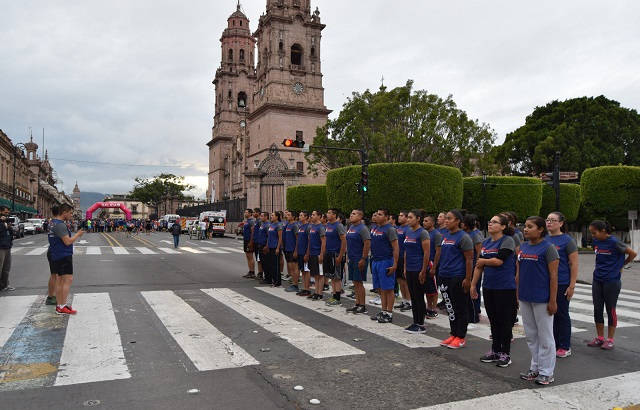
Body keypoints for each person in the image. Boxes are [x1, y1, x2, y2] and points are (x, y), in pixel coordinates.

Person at [517, 216, 559, 386]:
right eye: (525, 226)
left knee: (545, 336)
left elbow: (554, 276)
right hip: (525, 297)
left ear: (540, 229)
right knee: (531, 336)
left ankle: (547, 372)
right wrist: (517, 294)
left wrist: (553, 300)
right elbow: (519, 273)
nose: (525, 229)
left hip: (542, 298)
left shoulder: (548, 248)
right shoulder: (523, 247)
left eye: (530, 226)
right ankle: (535, 368)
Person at [471, 214, 517, 368]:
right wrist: (473, 285)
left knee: (505, 321)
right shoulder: (486, 242)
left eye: (495, 222)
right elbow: (479, 265)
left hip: (505, 287)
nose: (490, 224)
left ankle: (505, 353)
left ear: (503, 226)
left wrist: (484, 261)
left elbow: (498, 261)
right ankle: (495, 350)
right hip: (489, 286)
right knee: (494, 320)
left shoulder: (507, 240)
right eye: (489, 221)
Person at [587, 220, 637, 350]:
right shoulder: (596, 242)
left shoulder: (615, 242)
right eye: (591, 233)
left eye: (594, 233)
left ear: (603, 231)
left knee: (610, 309)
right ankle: (600, 337)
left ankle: (610, 339)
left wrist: (622, 264)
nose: (593, 235)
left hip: (612, 280)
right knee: (597, 309)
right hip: (597, 279)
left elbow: (633, 253)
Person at [436, 210, 473, 349]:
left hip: (457, 276)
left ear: (457, 221)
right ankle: (453, 333)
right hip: (444, 275)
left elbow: (469, 259)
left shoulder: (464, 237)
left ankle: (460, 337)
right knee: (449, 307)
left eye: (449, 218)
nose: (446, 221)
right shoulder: (445, 235)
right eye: (445, 218)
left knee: (460, 307)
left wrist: (468, 279)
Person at [546, 212, 579, 358]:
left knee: (561, 314)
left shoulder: (567, 240)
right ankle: (552, 343)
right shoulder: (544, 239)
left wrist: (572, 285)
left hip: (562, 282)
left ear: (561, 223)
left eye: (553, 220)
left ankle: (564, 346)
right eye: (548, 220)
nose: (549, 222)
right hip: (546, 283)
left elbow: (574, 264)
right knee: (549, 314)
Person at [49, 204, 84, 315]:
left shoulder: (53, 223)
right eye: (70, 213)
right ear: (64, 212)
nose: (71, 215)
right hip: (63, 255)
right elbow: (67, 241)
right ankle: (62, 305)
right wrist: (78, 234)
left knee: (60, 280)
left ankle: (60, 305)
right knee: (67, 280)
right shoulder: (60, 225)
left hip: (56, 254)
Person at [403, 210, 431, 333]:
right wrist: (405, 267)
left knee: (419, 296)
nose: (408, 219)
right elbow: (406, 251)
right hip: (409, 268)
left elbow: (426, 253)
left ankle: (421, 324)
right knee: (413, 297)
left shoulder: (423, 233)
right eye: (407, 217)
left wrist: (423, 270)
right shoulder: (408, 231)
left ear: (418, 218)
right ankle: (415, 322)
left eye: (410, 217)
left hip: (418, 268)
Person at [369, 209, 399, 323]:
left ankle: (389, 313)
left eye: (380, 214)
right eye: (376, 214)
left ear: (386, 217)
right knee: (380, 288)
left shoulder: (390, 229)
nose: (377, 216)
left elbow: (396, 247)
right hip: (376, 260)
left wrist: (395, 264)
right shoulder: (375, 228)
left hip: (386, 261)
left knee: (388, 288)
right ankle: (383, 311)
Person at [345, 209, 371, 314]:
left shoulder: (363, 228)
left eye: (354, 214)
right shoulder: (351, 227)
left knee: (359, 282)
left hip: (359, 258)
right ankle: (357, 303)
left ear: (360, 217)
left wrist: (363, 258)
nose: (351, 215)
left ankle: (362, 305)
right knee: (355, 282)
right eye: (351, 213)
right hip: (351, 258)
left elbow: (367, 243)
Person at [463, 213, 484, 323]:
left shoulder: (475, 235)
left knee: (474, 288)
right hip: (467, 266)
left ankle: (475, 313)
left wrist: (477, 265)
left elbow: (479, 251)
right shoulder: (466, 234)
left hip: (474, 266)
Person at [323, 209, 347, 306]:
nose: (327, 214)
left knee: (337, 277)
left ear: (334, 215)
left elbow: (343, 240)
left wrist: (340, 255)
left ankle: (337, 298)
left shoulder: (339, 226)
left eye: (329, 213)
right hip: (329, 253)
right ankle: (333, 295)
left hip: (336, 253)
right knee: (332, 276)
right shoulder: (328, 225)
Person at [423, 215, 441, 319]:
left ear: (432, 223)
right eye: (423, 221)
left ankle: (433, 309)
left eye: (426, 221)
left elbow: (438, 251)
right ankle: (428, 307)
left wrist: (434, 267)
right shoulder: (424, 233)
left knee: (433, 289)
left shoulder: (436, 234)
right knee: (427, 288)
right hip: (425, 263)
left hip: (432, 263)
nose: (424, 222)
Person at [305, 210, 326, 301]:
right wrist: (307, 253)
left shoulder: (321, 227)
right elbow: (309, 241)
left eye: (313, 215)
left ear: (319, 216)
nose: (311, 216)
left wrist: (321, 254)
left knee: (320, 274)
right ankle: (316, 292)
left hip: (318, 253)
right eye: (311, 214)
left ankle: (319, 294)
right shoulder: (311, 227)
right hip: (312, 253)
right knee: (315, 274)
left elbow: (323, 242)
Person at [393, 212, 412, 312]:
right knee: (400, 280)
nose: (399, 217)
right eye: (399, 215)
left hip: (404, 257)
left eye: (401, 215)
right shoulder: (399, 228)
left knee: (406, 281)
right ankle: (404, 300)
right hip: (398, 257)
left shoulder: (408, 229)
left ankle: (409, 302)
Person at [294, 211, 312, 296]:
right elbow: (298, 240)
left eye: (301, 215)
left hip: (305, 252)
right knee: (303, 271)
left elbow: (309, 241)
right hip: (300, 251)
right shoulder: (300, 227)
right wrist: (296, 250)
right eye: (299, 215)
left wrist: (307, 254)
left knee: (306, 270)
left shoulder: (308, 227)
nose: (299, 217)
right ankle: (304, 288)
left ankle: (307, 289)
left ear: (306, 217)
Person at [264, 212, 283, 287]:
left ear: (277, 217)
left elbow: (280, 238)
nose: (271, 216)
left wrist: (278, 248)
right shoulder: (271, 225)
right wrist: (267, 246)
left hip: (275, 247)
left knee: (276, 266)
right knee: (271, 265)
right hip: (270, 247)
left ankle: (277, 282)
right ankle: (273, 280)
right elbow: (269, 236)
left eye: (272, 215)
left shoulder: (279, 225)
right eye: (271, 215)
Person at [283, 210, 301, 292]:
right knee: (291, 268)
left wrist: (296, 250)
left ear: (293, 217)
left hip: (293, 249)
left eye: (289, 215)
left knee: (295, 268)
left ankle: (296, 285)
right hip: (288, 249)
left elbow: (297, 239)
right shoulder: (288, 225)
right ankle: (293, 283)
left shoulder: (295, 225)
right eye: (287, 215)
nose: (287, 216)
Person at [0, 205, 15, 292]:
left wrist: (9, 227)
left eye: (8, 213)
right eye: (5, 212)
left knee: (6, 268)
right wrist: (1, 222)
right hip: (1, 247)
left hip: (7, 246)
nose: (7, 214)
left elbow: (11, 233)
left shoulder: (6, 221)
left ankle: (5, 285)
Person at [242, 209, 256, 279]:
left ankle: (252, 272)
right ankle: (250, 271)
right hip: (245, 240)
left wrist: (251, 242)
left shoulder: (251, 221)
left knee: (250, 257)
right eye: (245, 212)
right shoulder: (246, 221)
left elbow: (252, 232)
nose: (245, 213)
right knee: (248, 256)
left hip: (249, 241)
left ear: (250, 214)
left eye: (246, 212)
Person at [256, 212, 270, 284]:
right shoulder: (262, 224)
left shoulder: (267, 225)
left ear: (266, 217)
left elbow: (269, 236)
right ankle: (266, 277)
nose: (260, 217)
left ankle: (268, 278)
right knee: (262, 262)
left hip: (264, 246)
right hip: (260, 245)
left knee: (266, 263)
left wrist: (266, 246)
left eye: (262, 216)